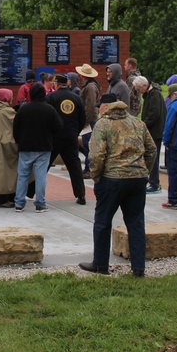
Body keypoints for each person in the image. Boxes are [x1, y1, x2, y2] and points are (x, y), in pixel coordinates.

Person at [79, 96, 156, 276]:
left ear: (106, 107)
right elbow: (151, 149)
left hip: (111, 179)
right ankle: (138, 268)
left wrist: (96, 177)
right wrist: (143, 171)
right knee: (136, 223)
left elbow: (97, 155)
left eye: (100, 107)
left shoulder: (103, 125)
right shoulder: (137, 123)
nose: (98, 110)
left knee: (103, 222)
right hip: (137, 179)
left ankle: (100, 264)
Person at [12, 83, 62, 213]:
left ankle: (19, 203)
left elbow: (15, 128)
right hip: (44, 147)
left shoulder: (23, 109)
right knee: (40, 176)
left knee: (22, 175)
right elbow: (58, 128)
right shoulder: (50, 109)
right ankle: (40, 203)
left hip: (25, 146)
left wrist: (19, 141)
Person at [47, 73, 88, 204]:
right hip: (71, 136)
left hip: (55, 137)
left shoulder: (51, 97)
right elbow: (82, 118)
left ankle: (31, 191)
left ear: (56, 84)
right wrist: (76, 131)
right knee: (74, 166)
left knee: (45, 164)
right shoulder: (76, 98)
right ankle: (81, 195)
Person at [134, 76, 166, 194]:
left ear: (144, 85)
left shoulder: (154, 94)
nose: (138, 91)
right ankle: (152, 181)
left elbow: (154, 114)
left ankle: (154, 183)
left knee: (153, 157)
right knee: (151, 155)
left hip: (155, 132)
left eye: (138, 89)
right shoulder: (150, 94)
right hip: (152, 130)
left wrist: (143, 125)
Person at [76, 64, 101, 177]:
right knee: (87, 145)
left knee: (89, 145)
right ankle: (88, 168)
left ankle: (89, 169)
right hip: (89, 120)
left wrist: (85, 121)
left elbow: (90, 105)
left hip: (89, 121)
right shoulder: (90, 86)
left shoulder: (90, 87)